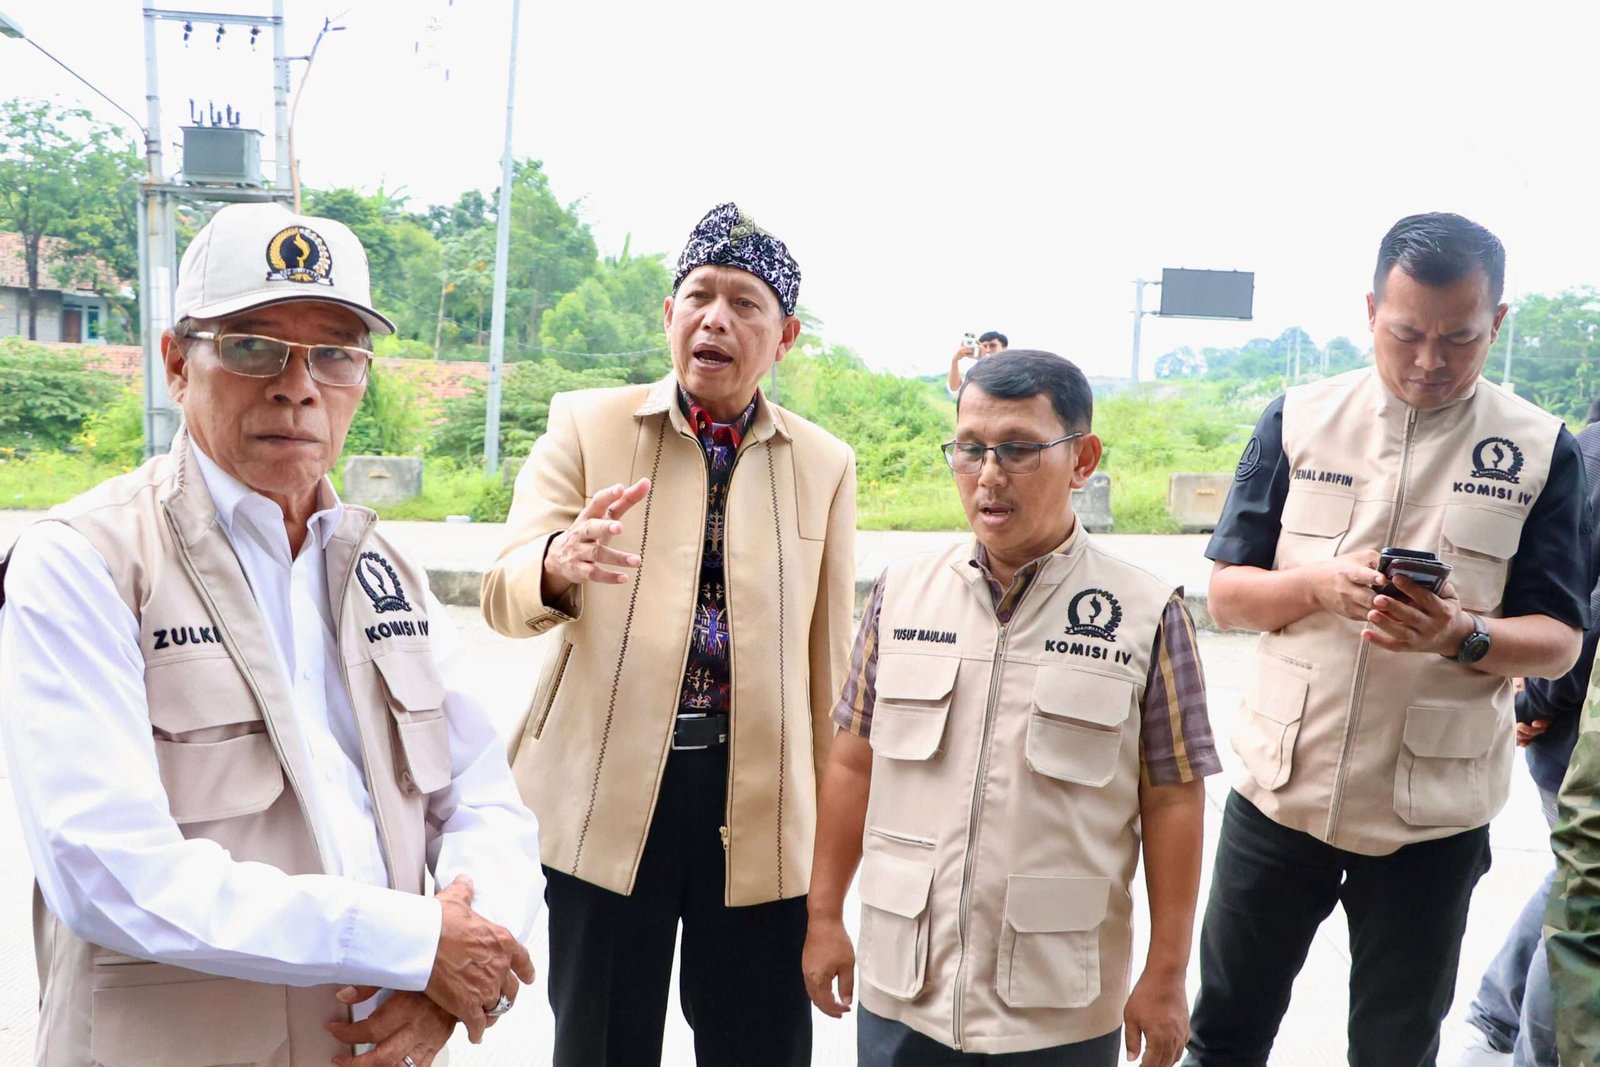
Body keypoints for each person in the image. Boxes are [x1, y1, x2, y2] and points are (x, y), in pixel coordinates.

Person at [0, 202, 543, 1067]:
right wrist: (413, 942)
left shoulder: (386, 571)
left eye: (335, 353)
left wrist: (458, 969)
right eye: (253, 346)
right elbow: (105, 867)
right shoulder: (86, 563)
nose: (298, 385)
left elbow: (486, 804)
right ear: (177, 363)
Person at [1183, 212, 1590, 1067]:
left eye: (1459, 337)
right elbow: (1225, 592)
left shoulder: (1540, 449)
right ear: (1370, 310)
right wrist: (1315, 585)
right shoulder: (1296, 418)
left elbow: (1558, 640)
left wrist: (1460, 633)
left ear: (1497, 322)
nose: (1430, 360)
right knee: (1223, 1036)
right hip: (1282, 794)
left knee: (1396, 1049)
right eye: (1407, 333)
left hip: (1431, 819)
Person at [481, 201, 857, 1066]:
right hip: (607, 799)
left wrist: (831, 872)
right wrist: (556, 560)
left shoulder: (825, 462)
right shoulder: (587, 424)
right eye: (698, 296)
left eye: (744, 303)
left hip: (760, 807)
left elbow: (829, 673)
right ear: (668, 314)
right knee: (602, 1044)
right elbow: (502, 592)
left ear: (785, 336)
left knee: (759, 1046)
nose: (715, 319)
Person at [804, 350, 1220, 1067]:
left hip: (1057, 1003)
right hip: (906, 988)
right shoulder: (901, 595)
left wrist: (1166, 972)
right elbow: (852, 763)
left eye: (1019, 449)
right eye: (969, 448)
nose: (989, 475)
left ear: (1082, 460)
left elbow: (1174, 800)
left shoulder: (1146, 613)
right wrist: (823, 915)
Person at [1452, 412, 1600, 1066]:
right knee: (1584, 910)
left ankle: (1496, 1014)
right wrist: (1537, 700)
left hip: (1560, 714)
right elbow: (1584, 612)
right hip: (1574, 726)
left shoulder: (1579, 449)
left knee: (1574, 881)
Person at [947, 329, 1008, 395]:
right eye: (984, 346)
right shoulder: (974, 369)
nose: (988, 350)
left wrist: (984, 361)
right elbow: (955, 389)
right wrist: (955, 360)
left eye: (993, 346)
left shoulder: (1011, 366)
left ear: (1004, 348)